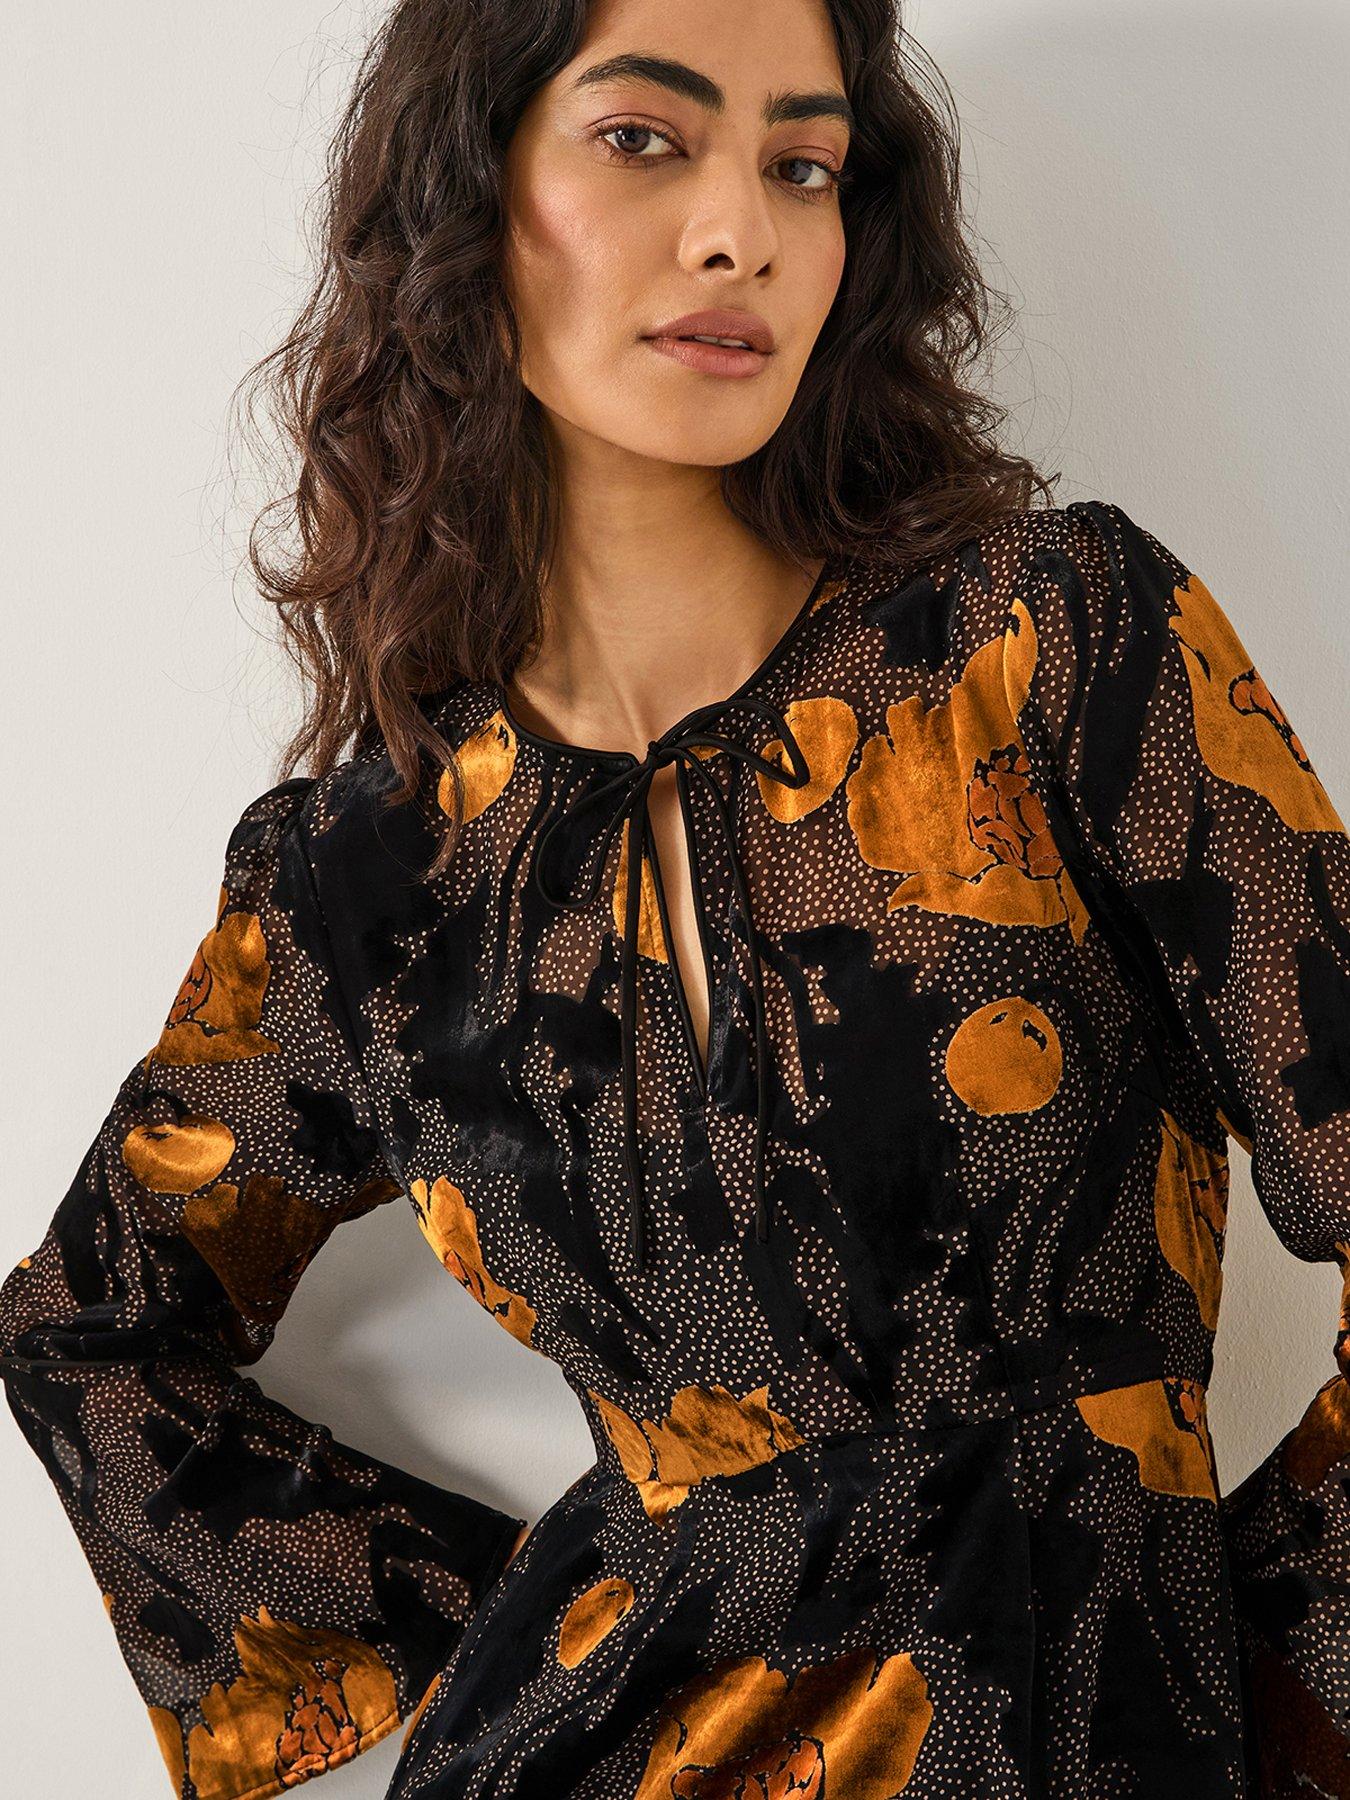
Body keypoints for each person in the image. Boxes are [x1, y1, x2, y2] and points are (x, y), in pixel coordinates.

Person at [2, 1, 1346, 1796]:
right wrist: (535, 1630)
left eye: (803, 164)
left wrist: (1244, 1676)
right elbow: (86, 1327)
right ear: (466, 193)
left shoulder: (1046, 645)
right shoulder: (361, 881)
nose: (740, 232)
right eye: (643, 138)